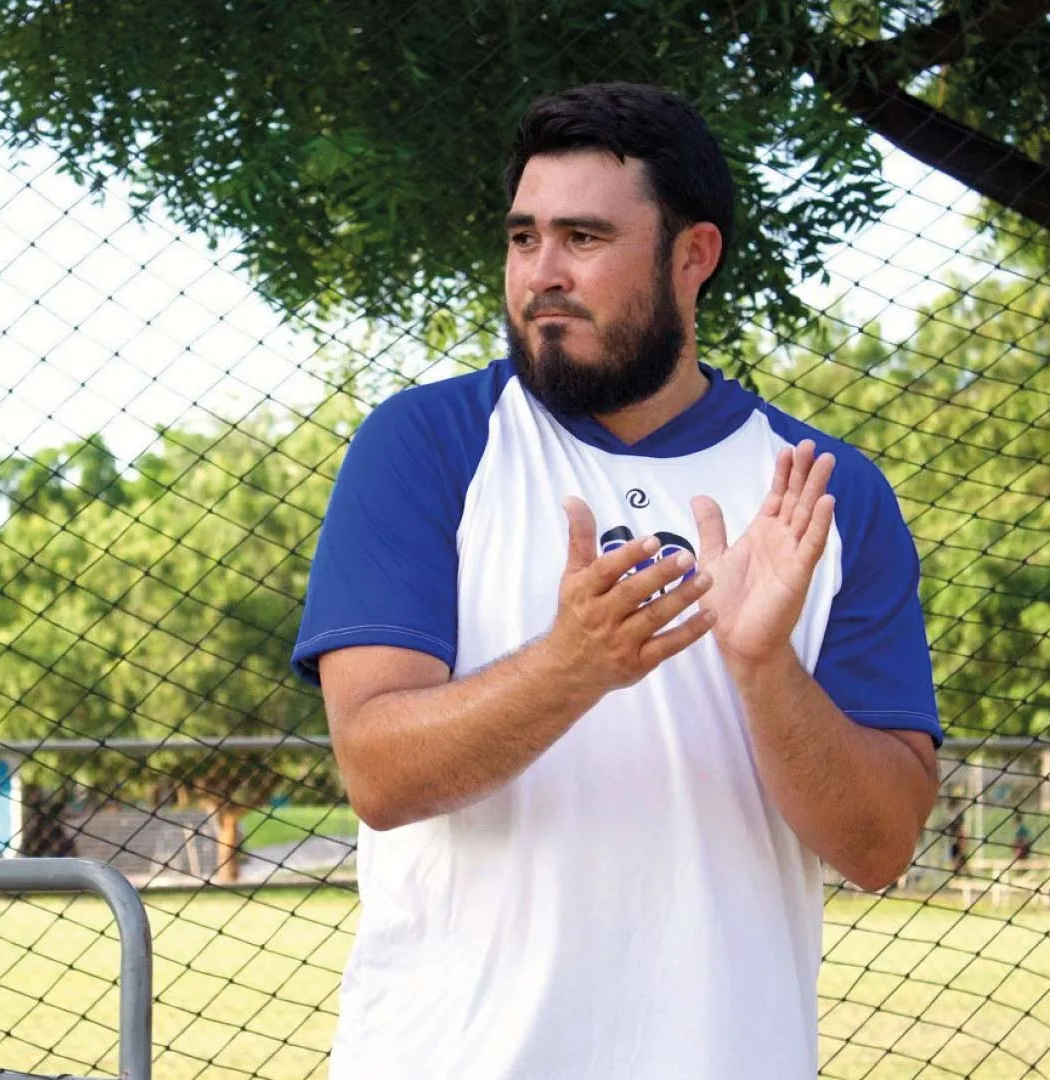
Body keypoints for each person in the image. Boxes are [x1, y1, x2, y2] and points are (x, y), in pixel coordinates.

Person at [291, 83, 942, 1079]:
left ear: (694, 257)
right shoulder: (427, 445)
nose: (542, 274)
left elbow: (879, 846)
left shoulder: (822, 492)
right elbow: (379, 773)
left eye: (583, 238)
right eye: (523, 239)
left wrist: (764, 668)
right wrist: (573, 665)